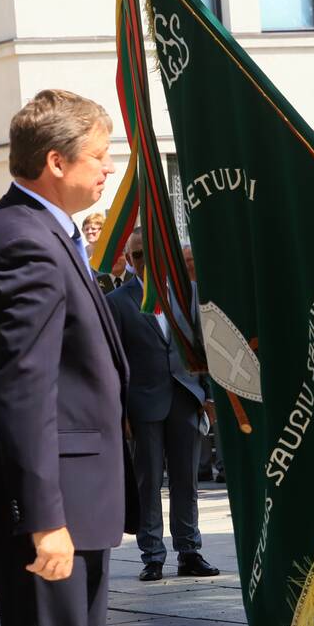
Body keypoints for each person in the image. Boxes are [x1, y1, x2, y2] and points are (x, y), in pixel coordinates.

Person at [0, 89, 129, 626]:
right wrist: (44, 519)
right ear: (57, 161)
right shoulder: (23, 242)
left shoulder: (28, 228)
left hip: (67, 502)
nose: (108, 168)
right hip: (50, 511)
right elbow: (22, 391)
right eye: (99, 156)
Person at [107, 228, 217, 581]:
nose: (143, 261)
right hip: (143, 404)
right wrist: (119, 411)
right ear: (127, 259)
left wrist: (209, 395)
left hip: (185, 396)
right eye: (136, 255)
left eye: (149, 254)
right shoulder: (118, 301)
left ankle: (189, 550)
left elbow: (205, 346)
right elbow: (114, 359)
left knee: (187, 480)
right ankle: (152, 554)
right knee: (149, 481)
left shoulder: (188, 294)